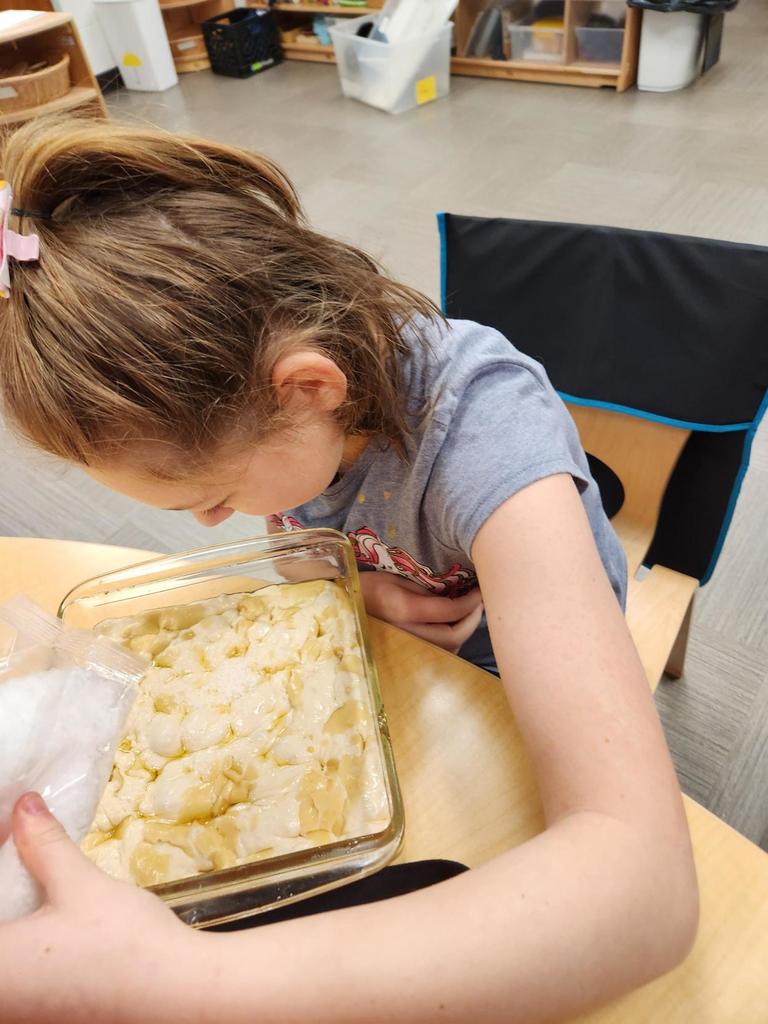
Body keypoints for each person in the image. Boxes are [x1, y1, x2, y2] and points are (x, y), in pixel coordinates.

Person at [0, 117, 697, 1024]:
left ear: (309, 389)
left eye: (208, 495)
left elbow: (642, 890)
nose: (216, 522)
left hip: (515, 656)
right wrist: (351, 586)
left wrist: (178, 985)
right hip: (404, 644)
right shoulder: (297, 422)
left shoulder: (491, 446)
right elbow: (297, 541)